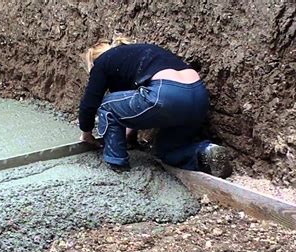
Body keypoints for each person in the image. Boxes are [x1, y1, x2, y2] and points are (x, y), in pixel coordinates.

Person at [78, 37, 232, 178]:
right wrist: (127, 137)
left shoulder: (102, 62)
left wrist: (86, 132)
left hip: (166, 93)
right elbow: (131, 110)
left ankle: (116, 162)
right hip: (198, 96)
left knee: (106, 104)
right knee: (168, 151)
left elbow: (90, 103)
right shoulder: (139, 54)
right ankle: (206, 152)